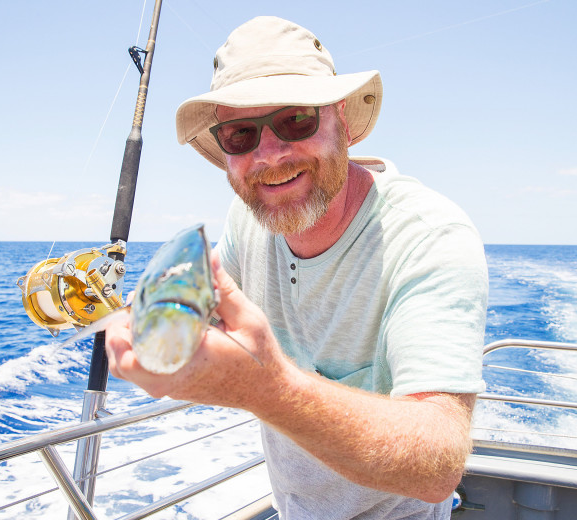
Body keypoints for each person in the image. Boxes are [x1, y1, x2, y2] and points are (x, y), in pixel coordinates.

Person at [105, 16, 488, 520]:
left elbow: (436, 465)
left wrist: (267, 387)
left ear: (343, 123)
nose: (270, 156)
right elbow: (213, 310)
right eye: (240, 134)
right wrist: (158, 326)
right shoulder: (247, 218)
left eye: (295, 121)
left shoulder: (429, 236)